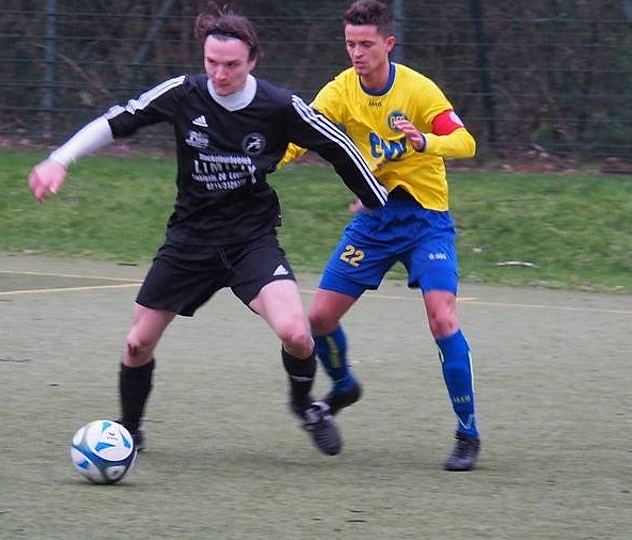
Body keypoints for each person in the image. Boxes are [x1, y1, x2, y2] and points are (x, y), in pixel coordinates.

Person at [27, 3, 387, 457]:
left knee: (297, 334)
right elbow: (120, 119)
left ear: (253, 60)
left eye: (231, 65)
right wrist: (59, 160)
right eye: (212, 62)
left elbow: (339, 147)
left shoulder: (279, 106)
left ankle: (304, 405)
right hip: (189, 242)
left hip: (250, 242)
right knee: (137, 343)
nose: (220, 74)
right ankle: (130, 430)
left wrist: (377, 200)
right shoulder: (184, 93)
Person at [279, 0, 480, 470]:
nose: (357, 53)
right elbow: (300, 135)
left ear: (388, 43)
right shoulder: (340, 91)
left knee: (442, 319)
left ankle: (467, 433)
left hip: (426, 222)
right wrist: (269, 161)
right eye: (350, 43)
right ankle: (344, 385)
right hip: (374, 222)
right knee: (319, 319)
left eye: (366, 44)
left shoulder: (418, 89)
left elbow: (465, 142)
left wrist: (426, 141)